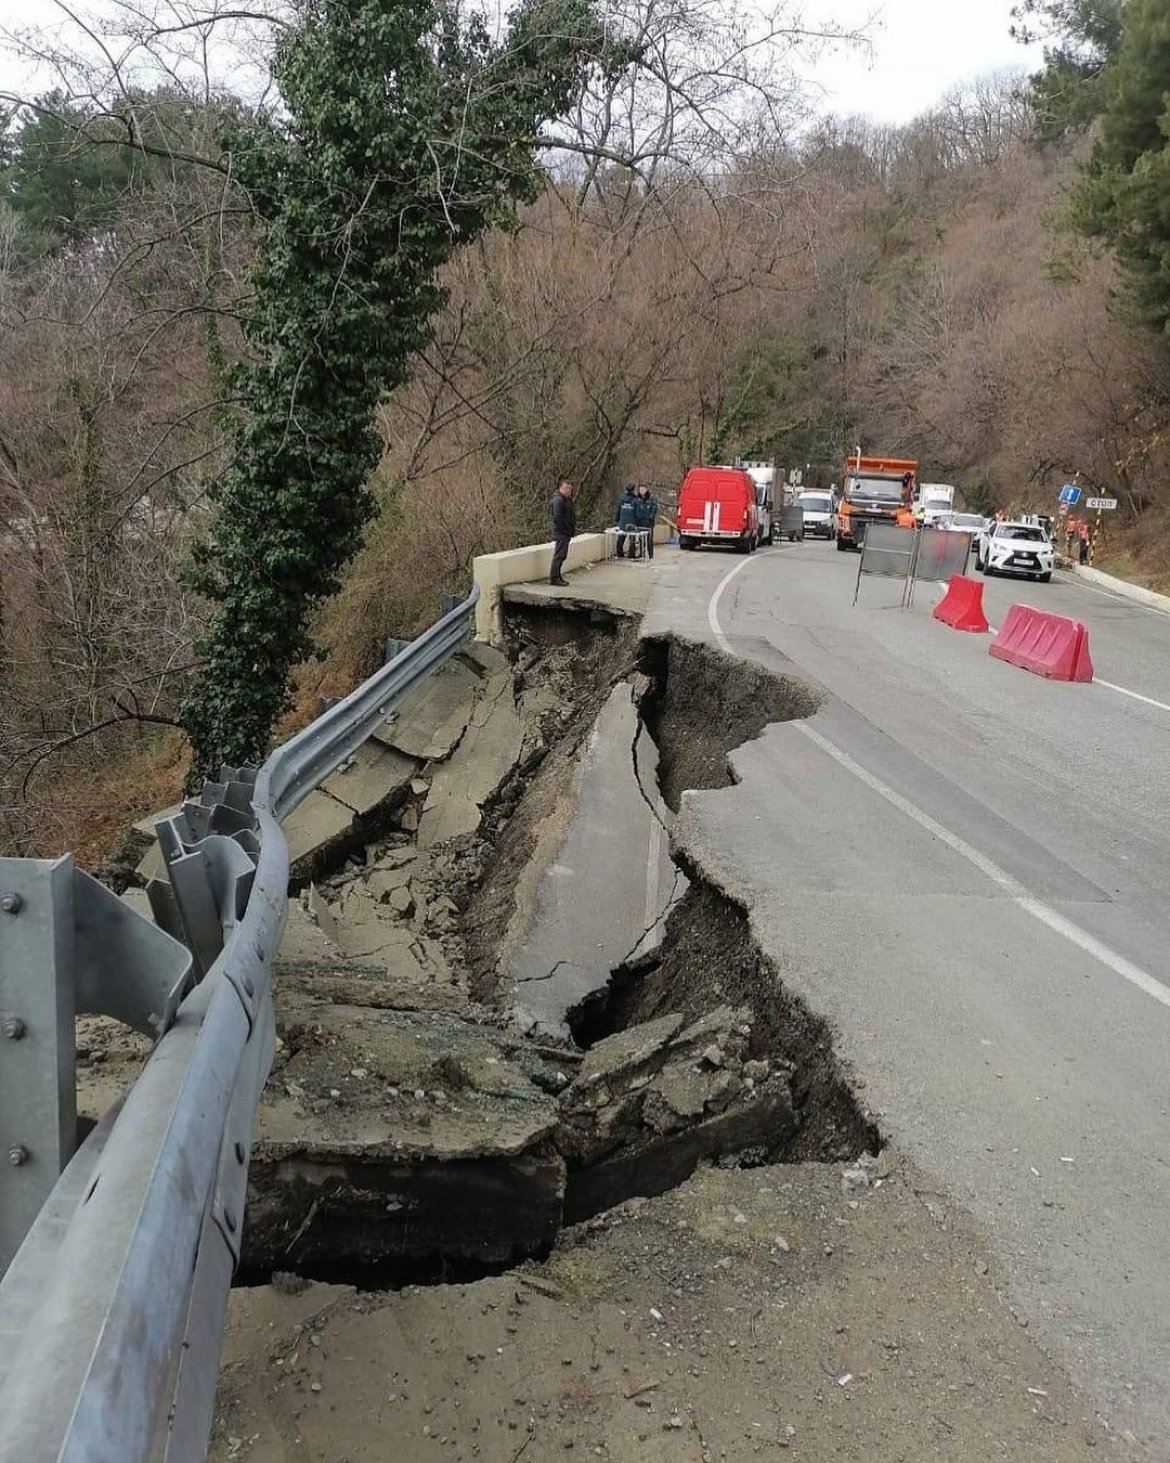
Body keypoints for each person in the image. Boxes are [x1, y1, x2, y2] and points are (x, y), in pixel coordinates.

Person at [549, 478, 576, 586]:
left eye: (569, 489)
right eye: (566, 488)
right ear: (560, 488)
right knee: (559, 555)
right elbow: (558, 518)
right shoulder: (558, 500)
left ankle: (558, 576)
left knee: (562, 555)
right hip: (561, 532)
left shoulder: (566, 500)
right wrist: (565, 529)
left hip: (566, 532)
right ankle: (554, 577)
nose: (568, 491)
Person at [633, 483, 658, 560]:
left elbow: (654, 508)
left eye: (643, 489)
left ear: (646, 489)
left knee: (649, 539)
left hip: (648, 523)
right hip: (639, 522)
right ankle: (641, 553)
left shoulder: (651, 498)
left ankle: (651, 555)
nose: (642, 491)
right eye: (640, 489)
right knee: (640, 539)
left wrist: (651, 517)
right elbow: (634, 509)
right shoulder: (637, 499)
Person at [615, 483, 639, 559]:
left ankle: (619, 553)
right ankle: (631, 554)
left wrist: (616, 519)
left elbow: (618, 510)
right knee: (632, 538)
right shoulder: (636, 499)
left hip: (622, 521)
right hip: (632, 522)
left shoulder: (621, 498)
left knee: (621, 538)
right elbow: (637, 512)